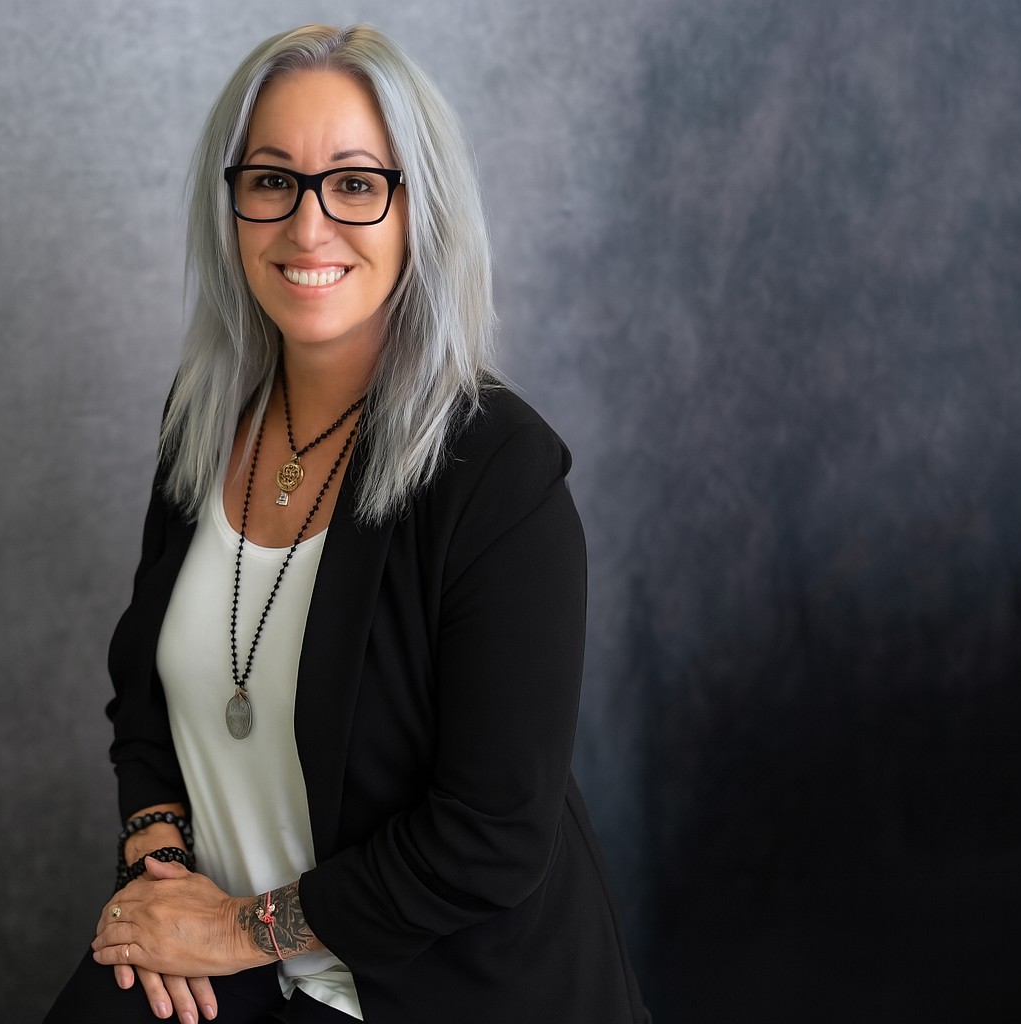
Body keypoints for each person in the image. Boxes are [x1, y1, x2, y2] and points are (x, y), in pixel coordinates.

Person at [45, 23, 650, 1024]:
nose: (308, 227)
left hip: (431, 987)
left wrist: (236, 929)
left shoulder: (498, 471)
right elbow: (146, 685)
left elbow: (489, 835)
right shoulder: (204, 423)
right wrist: (159, 865)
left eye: (357, 183)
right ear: (231, 203)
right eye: (273, 180)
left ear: (421, 210)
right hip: (225, 963)